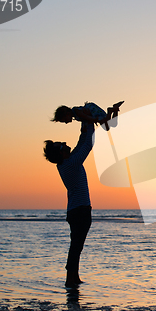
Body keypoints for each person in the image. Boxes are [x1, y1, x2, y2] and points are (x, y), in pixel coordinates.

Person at [43, 121, 95, 287]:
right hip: (80, 211)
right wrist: (91, 123)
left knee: (77, 245)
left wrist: (85, 125)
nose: (65, 144)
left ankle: (74, 276)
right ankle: (69, 278)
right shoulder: (71, 164)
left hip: (77, 210)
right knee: (76, 245)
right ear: (60, 153)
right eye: (62, 145)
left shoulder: (68, 162)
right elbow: (87, 144)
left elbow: (81, 143)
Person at [52, 101, 124, 131]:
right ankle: (115, 109)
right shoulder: (75, 115)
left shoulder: (76, 112)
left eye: (65, 120)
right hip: (92, 112)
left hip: (93, 112)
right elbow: (84, 119)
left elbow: (86, 117)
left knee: (106, 125)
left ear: (67, 114)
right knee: (113, 124)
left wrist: (95, 120)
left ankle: (110, 111)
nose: (66, 122)